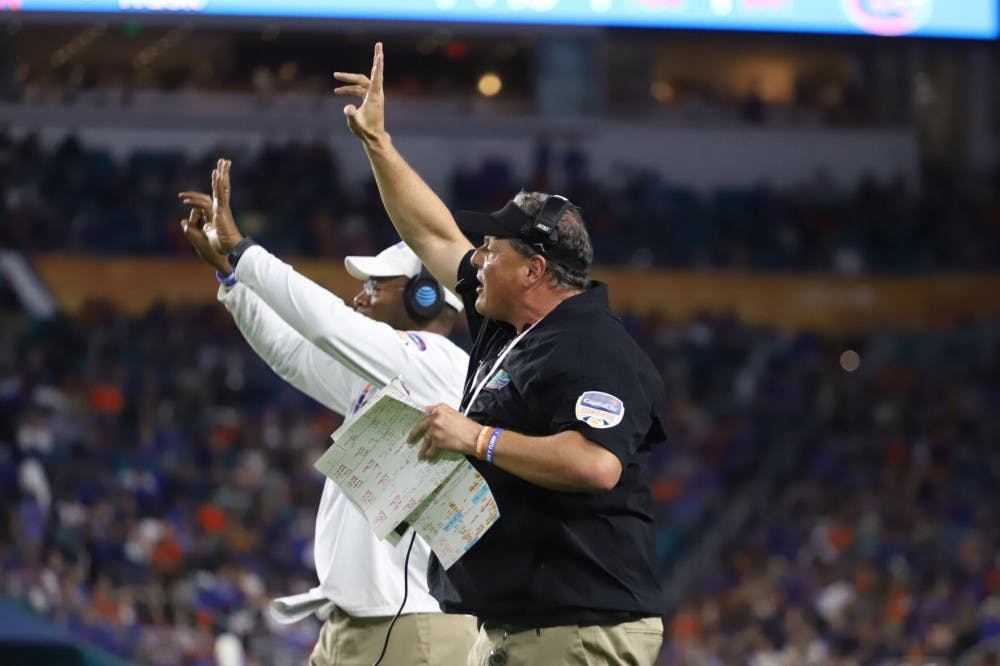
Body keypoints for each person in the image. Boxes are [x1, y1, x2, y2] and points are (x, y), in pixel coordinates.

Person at [333, 44, 667, 665]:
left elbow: (596, 465)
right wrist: (376, 142)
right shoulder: (507, 327)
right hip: (518, 627)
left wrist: (476, 438)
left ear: (535, 269)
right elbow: (430, 231)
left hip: (575, 629)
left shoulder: (593, 345)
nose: (477, 260)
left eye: (491, 249)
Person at [177, 159, 476, 666]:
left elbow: (326, 326)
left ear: (425, 297)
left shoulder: (439, 366)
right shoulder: (394, 375)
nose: (361, 296)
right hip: (361, 623)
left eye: (377, 286)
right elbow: (295, 354)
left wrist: (244, 252)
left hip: (405, 625)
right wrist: (231, 277)